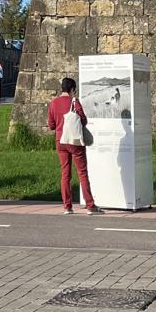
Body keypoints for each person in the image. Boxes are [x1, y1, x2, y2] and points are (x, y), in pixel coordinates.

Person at [46, 77, 99, 215]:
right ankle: (90, 206)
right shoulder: (74, 102)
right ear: (72, 89)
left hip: (60, 141)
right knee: (82, 173)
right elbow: (84, 120)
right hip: (75, 141)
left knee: (65, 174)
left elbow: (51, 125)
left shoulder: (53, 103)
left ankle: (67, 207)